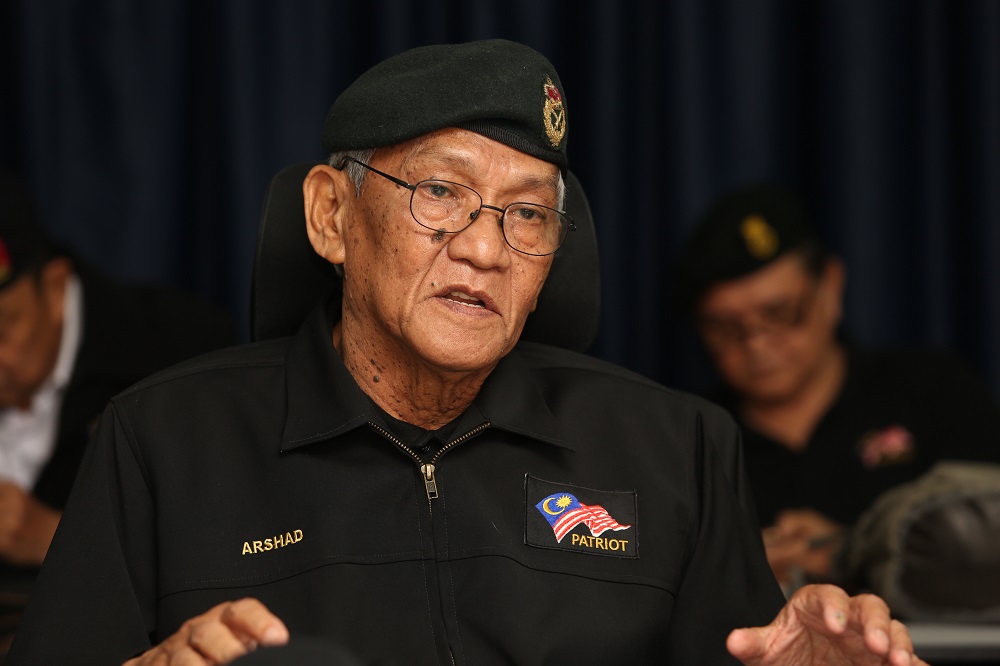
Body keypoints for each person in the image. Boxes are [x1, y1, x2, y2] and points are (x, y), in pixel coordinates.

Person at [9, 41, 925, 665]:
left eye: (528, 213)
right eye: (441, 192)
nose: (487, 247)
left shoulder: (674, 447)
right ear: (332, 216)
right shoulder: (163, 441)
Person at [672, 183, 1000, 591]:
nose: (757, 344)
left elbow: (988, 537)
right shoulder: (690, 436)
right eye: (725, 329)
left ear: (830, 286)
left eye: (780, 314)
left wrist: (849, 551)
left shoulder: (934, 391)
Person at [0, 170, 236, 599]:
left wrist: (55, 538)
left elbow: (233, 544)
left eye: (2, 331)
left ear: (54, 290)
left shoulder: (181, 357)